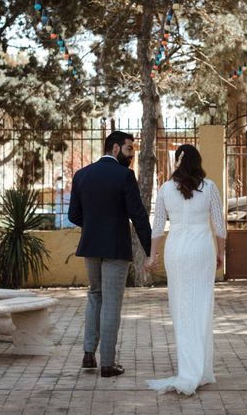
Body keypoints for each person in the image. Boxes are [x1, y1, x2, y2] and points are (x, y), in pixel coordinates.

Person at [68, 131, 152, 378]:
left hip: (91, 246)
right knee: (112, 302)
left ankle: (87, 354)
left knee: (95, 295)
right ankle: (107, 363)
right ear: (115, 149)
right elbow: (138, 216)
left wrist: (94, 225)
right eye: (129, 149)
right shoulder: (125, 176)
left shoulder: (82, 175)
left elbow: (74, 215)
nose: (132, 154)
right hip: (116, 248)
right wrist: (150, 251)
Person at [145, 144, 226, 395]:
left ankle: (188, 370)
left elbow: (157, 227)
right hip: (202, 250)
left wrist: (151, 256)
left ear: (177, 163)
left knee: (181, 308)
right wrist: (221, 253)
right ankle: (200, 370)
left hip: (176, 251)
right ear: (198, 162)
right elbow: (220, 226)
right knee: (202, 306)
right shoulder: (210, 187)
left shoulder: (166, 189)